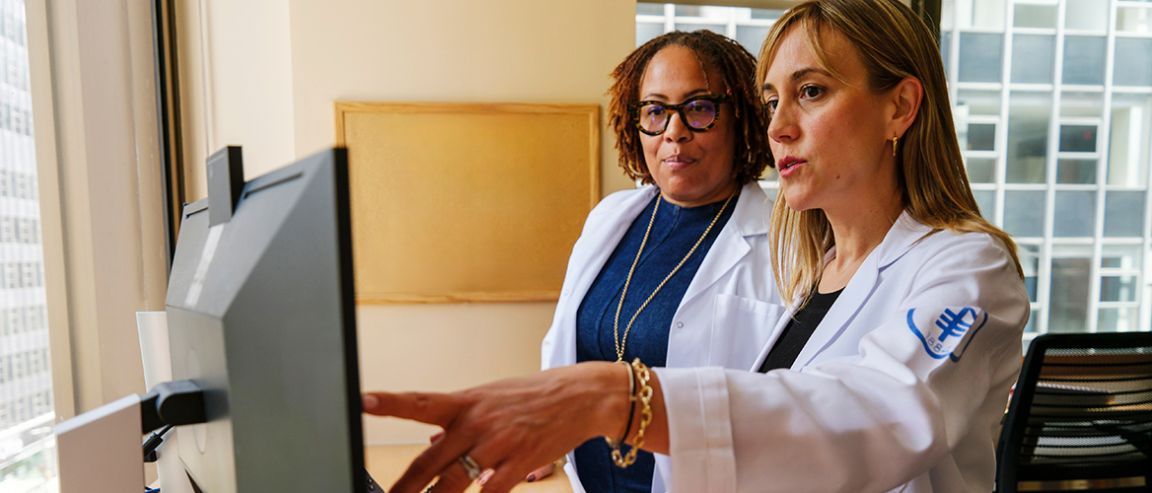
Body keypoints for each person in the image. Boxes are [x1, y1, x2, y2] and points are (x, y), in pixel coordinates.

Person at [362, 1, 1030, 492]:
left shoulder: (966, 267)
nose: (782, 126)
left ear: (900, 107)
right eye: (773, 101)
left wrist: (617, 396)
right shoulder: (816, 265)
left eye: (812, 91)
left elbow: (878, 416)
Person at [533, 30, 778, 493]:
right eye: (656, 111)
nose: (674, 131)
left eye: (700, 108)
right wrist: (545, 435)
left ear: (740, 119)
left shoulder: (784, 248)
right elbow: (564, 351)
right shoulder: (610, 219)